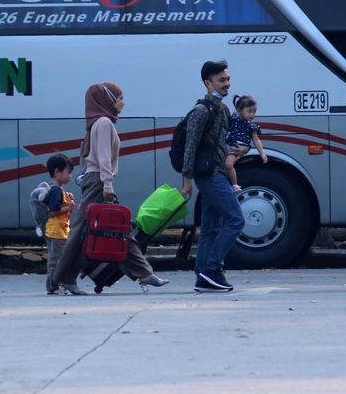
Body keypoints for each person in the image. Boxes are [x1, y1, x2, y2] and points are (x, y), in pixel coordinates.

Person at [53, 82, 170, 295]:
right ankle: (62, 278)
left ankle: (144, 273)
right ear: (106, 99)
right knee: (87, 231)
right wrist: (107, 183)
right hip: (99, 181)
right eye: (119, 98)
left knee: (118, 229)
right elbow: (103, 157)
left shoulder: (97, 123)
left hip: (96, 179)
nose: (122, 103)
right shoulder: (104, 122)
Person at [180, 61, 249, 292]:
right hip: (209, 175)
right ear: (208, 83)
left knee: (210, 228)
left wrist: (238, 151)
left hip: (219, 172)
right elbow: (190, 147)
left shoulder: (223, 109)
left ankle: (203, 278)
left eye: (228, 79)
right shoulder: (200, 112)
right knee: (236, 220)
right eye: (221, 80)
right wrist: (187, 182)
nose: (227, 83)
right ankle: (213, 269)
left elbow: (223, 143)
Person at [29, 154, 77, 295]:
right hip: (56, 231)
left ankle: (56, 284)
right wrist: (68, 208)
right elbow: (52, 211)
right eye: (68, 172)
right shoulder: (56, 190)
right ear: (57, 172)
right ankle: (52, 286)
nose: (70, 176)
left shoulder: (58, 190)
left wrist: (67, 202)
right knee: (55, 260)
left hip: (59, 231)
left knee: (57, 259)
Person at [224, 94, 268, 192]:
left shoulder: (251, 126)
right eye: (249, 111)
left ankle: (235, 184)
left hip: (237, 147)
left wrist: (262, 153)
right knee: (223, 166)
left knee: (228, 164)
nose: (252, 114)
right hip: (228, 144)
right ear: (239, 110)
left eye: (254, 112)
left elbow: (256, 140)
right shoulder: (233, 119)